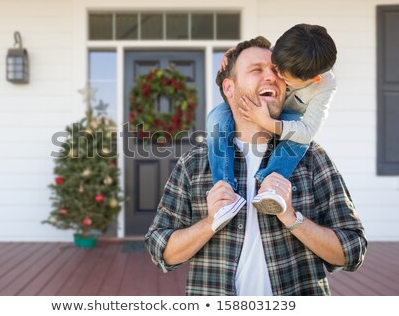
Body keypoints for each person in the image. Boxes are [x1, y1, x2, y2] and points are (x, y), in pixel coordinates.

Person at [144, 36, 367, 296]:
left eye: (275, 71)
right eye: (255, 70)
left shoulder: (312, 158)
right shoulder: (194, 163)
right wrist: (209, 222)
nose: (271, 77)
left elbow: (352, 251)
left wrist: (292, 218)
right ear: (229, 88)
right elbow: (161, 251)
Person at [207, 24, 338, 231]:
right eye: (274, 65)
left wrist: (268, 122)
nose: (273, 76)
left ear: (313, 79)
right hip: (256, 106)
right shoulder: (287, 49)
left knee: (299, 139)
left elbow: (307, 130)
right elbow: (257, 51)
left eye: (282, 76)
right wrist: (235, 52)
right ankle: (224, 190)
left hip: (288, 119)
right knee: (215, 117)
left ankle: (272, 184)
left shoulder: (324, 85)